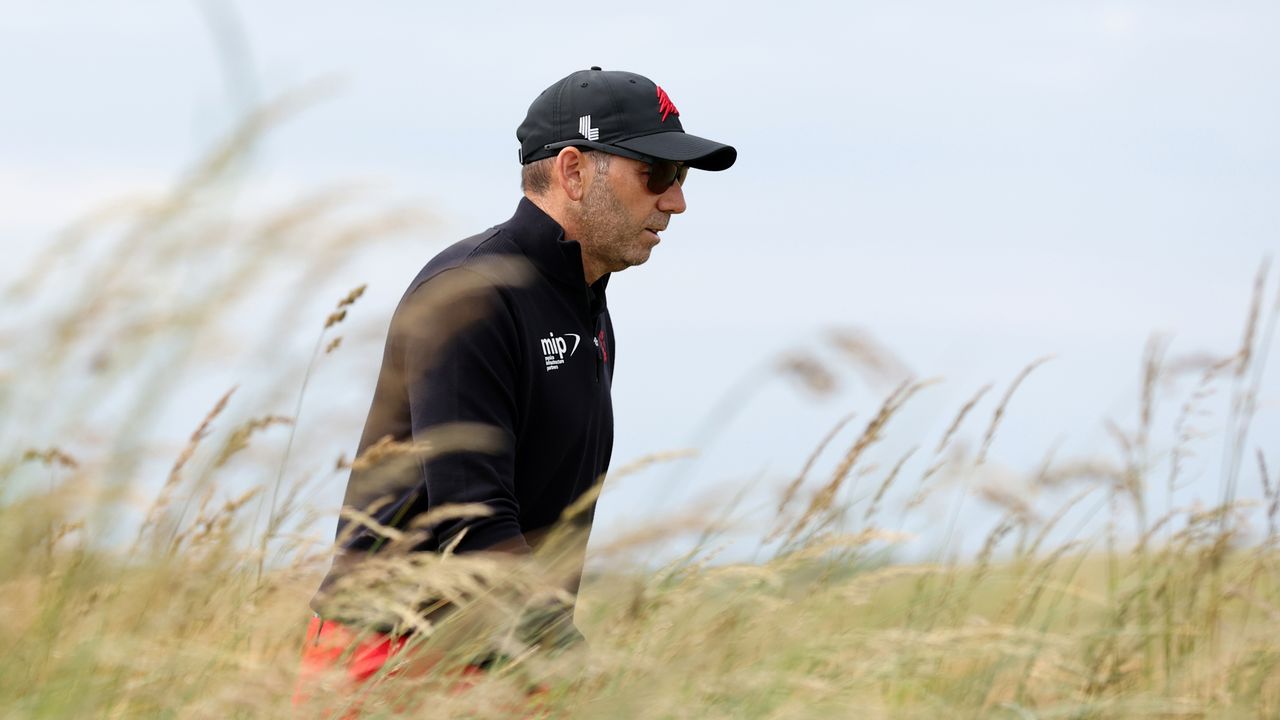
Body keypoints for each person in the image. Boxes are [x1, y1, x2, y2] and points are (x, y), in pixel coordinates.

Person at [296, 66, 736, 703]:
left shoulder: (586, 304)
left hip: (504, 659)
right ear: (574, 171)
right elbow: (471, 521)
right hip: (392, 660)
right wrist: (577, 670)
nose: (676, 201)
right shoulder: (471, 293)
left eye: (681, 177)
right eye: (658, 174)